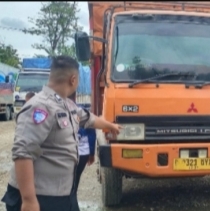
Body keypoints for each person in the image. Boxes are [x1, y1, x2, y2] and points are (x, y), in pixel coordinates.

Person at [1, 55, 122, 211]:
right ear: (73, 79)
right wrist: (29, 200)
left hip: (63, 194)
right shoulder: (39, 107)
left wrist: (111, 126)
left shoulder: (66, 104)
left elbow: (89, 119)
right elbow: (22, 152)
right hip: (40, 198)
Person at [67, 93, 97, 198]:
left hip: (68, 153)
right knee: (76, 178)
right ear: (75, 97)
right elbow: (92, 133)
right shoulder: (82, 111)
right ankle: (73, 197)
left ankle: (70, 199)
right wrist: (92, 153)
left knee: (67, 181)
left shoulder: (58, 109)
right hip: (83, 153)